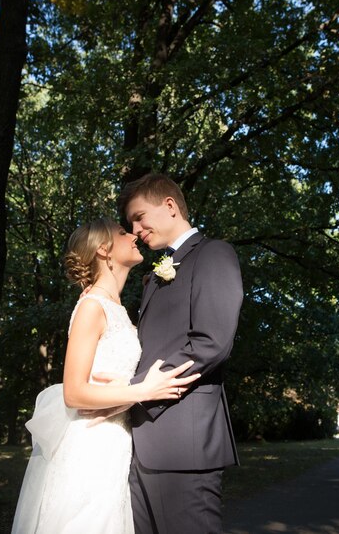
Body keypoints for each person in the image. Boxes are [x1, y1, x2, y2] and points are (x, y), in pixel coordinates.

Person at [11, 217, 200, 534]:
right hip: (89, 446)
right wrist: (144, 390)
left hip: (115, 442)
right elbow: (74, 393)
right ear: (103, 249)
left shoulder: (118, 308)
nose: (134, 235)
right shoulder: (91, 307)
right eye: (123, 232)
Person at [93, 174, 244, 533]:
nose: (135, 228)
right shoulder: (154, 277)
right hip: (140, 443)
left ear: (170, 206)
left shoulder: (213, 253)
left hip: (183, 444)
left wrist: (134, 391)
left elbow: (212, 341)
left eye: (140, 216)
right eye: (131, 222)